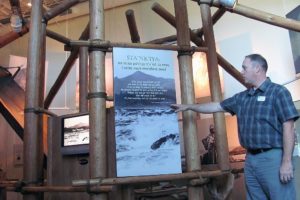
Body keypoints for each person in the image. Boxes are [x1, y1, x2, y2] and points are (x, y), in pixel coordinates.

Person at [171, 54, 299, 200]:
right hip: (251, 159)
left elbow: (288, 127)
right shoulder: (242, 98)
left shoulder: (279, 92)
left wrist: (286, 161)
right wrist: (188, 106)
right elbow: (216, 106)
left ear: (257, 69)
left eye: (245, 67)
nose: (242, 71)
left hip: (273, 157)